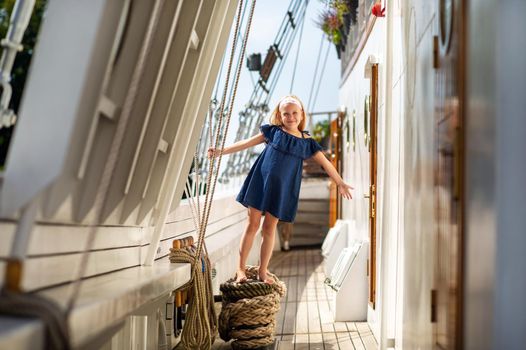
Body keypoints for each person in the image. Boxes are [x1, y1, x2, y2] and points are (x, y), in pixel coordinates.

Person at [208, 95, 353, 284]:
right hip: (261, 181)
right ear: (280, 115)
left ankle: (263, 271)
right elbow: (246, 143)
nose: (291, 117)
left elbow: (326, 163)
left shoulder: (307, 142)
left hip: (283, 188)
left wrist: (340, 182)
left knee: (269, 228)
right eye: (286, 114)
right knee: (252, 225)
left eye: (294, 113)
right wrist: (221, 151)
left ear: (301, 115)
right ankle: (240, 270)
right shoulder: (273, 131)